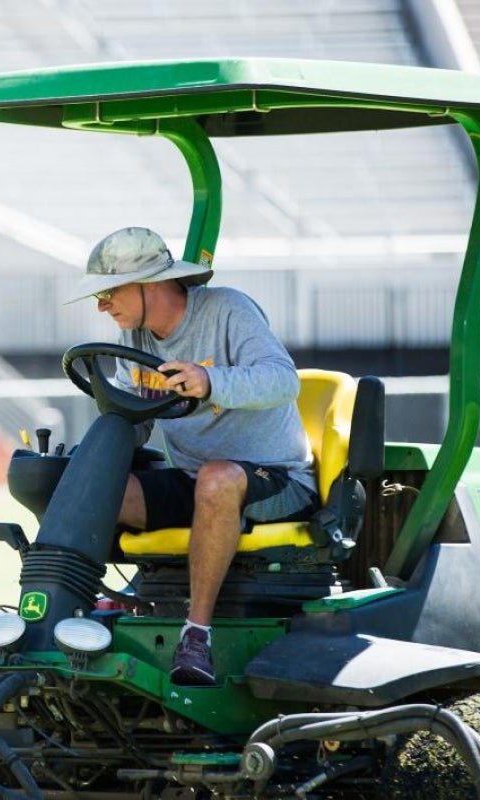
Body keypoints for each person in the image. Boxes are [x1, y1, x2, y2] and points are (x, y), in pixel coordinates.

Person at [65, 227, 318, 687]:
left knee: (218, 479)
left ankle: (196, 636)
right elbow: (135, 417)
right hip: (195, 478)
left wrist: (210, 380)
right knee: (96, 487)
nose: (101, 306)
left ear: (153, 283)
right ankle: (75, 612)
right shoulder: (135, 342)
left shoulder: (228, 310)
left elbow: (284, 381)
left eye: (109, 292)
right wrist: (95, 454)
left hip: (277, 478)